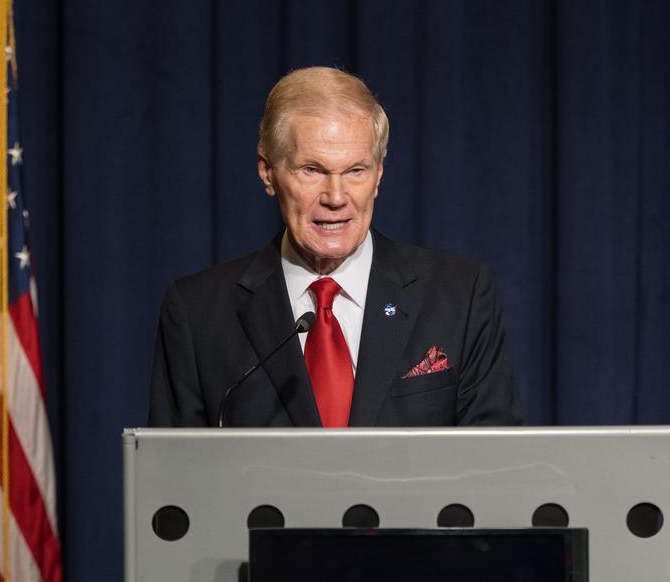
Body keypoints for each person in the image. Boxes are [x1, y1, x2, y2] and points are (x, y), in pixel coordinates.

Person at [149, 66, 521, 428]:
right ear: (267, 171)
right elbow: (170, 479)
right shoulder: (197, 312)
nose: (336, 197)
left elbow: (495, 470)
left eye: (355, 171)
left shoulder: (460, 295)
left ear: (378, 176)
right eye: (312, 170)